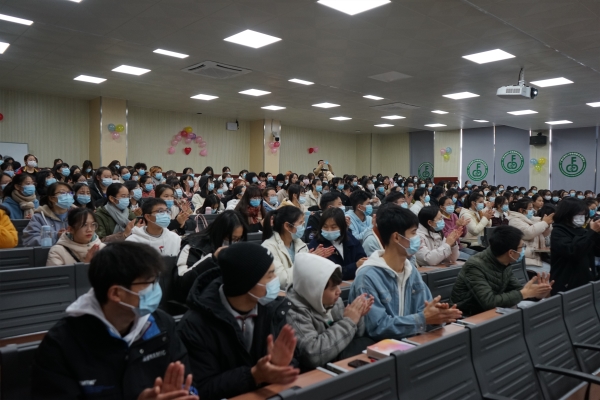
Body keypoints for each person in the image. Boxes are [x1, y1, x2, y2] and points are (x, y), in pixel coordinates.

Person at [32, 241, 198, 400]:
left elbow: (188, 384)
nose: (156, 288)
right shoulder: (62, 345)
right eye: (149, 282)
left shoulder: (162, 325)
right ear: (116, 293)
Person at [177, 243, 300, 400]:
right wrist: (253, 376)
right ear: (246, 283)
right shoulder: (195, 325)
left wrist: (279, 366)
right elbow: (202, 388)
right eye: (270, 275)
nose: (275, 280)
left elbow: (293, 359)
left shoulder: (273, 309)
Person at [348, 205, 462, 340]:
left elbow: (425, 310)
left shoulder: (410, 271)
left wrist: (438, 316)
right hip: (383, 348)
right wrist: (423, 319)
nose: (418, 238)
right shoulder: (367, 277)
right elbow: (377, 327)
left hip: (411, 342)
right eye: (413, 233)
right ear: (396, 237)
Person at [286, 253, 374, 370]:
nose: (339, 291)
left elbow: (355, 337)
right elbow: (313, 355)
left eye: (338, 285)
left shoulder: (334, 301)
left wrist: (357, 316)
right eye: (332, 288)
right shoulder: (294, 313)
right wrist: (349, 321)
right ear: (314, 290)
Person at [450, 226, 553, 316]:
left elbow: (518, 290)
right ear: (511, 253)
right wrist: (524, 293)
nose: (523, 250)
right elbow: (489, 302)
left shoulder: (504, 262)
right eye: (522, 247)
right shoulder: (475, 266)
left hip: (489, 312)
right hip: (466, 315)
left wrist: (536, 294)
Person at [174, 211, 248, 303]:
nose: (234, 243)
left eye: (238, 239)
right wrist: (212, 260)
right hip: (197, 300)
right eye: (232, 238)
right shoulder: (194, 246)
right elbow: (182, 283)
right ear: (220, 233)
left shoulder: (237, 249)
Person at [551, 197, 600, 294]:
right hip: (567, 282)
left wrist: (597, 234)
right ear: (567, 214)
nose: (581, 217)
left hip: (586, 278)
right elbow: (573, 251)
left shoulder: (583, 231)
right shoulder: (558, 232)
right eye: (579, 214)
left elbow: (597, 251)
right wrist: (592, 232)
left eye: (583, 214)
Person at [308, 207, 367, 280]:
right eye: (325, 227)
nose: (329, 230)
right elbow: (331, 273)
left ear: (342, 227)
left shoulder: (349, 237)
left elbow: (362, 259)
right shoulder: (316, 244)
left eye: (333, 227)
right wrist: (355, 266)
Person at [261, 205, 310, 289]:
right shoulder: (268, 247)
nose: (303, 227)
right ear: (287, 226)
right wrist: (306, 263)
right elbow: (283, 280)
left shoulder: (300, 243)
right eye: (300, 223)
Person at [508, 198, 553, 272]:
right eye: (530, 209)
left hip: (537, 257)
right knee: (550, 272)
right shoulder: (514, 221)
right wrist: (544, 223)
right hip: (527, 259)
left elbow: (545, 233)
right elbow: (529, 233)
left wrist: (547, 224)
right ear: (521, 210)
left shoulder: (530, 219)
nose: (532, 211)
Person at [23, 181, 74, 247]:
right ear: (51, 198)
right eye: (62, 193)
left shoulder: (78, 215)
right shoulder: (39, 217)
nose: (67, 196)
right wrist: (56, 236)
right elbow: (30, 241)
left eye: (69, 193)